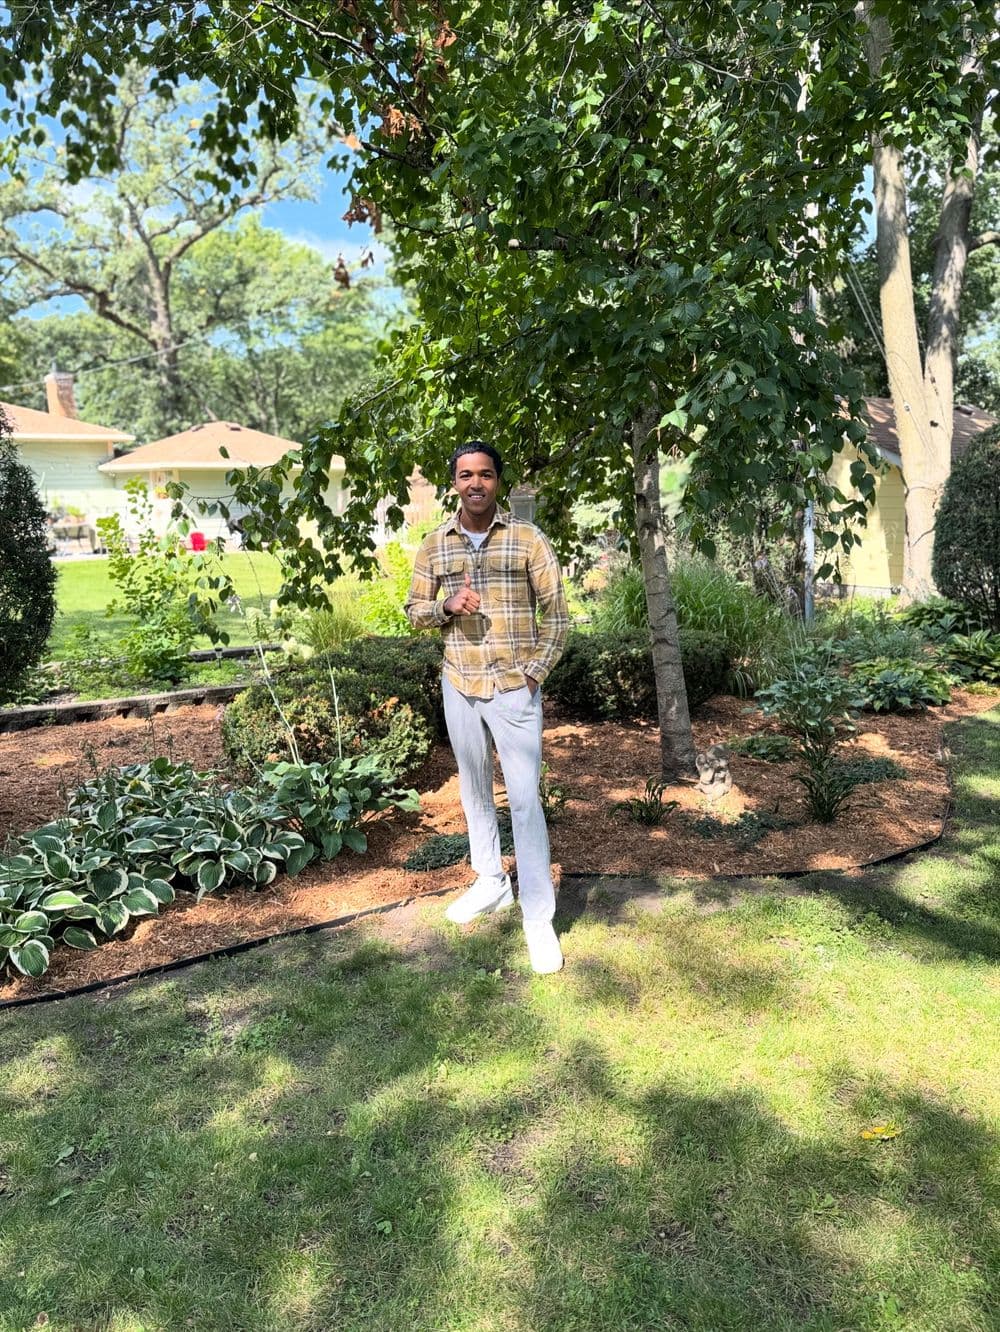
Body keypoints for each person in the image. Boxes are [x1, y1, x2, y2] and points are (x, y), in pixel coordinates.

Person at [404, 441, 570, 973]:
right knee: (474, 789)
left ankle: (538, 917)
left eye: (485, 475)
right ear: (454, 482)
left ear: (498, 481)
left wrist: (533, 675)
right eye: (465, 475)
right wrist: (445, 606)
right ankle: (491, 882)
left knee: (523, 799)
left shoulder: (527, 539)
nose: (475, 483)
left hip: (512, 689)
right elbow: (413, 611)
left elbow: (559, 618)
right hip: (460, 683)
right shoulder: (435, 546)